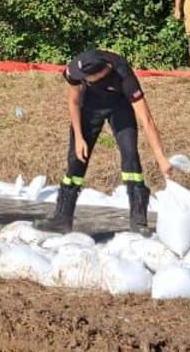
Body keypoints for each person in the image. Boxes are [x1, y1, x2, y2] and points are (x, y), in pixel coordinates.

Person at [39, 50, 176, 234]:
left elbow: (146, 119)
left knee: (130, 156)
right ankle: (62, 217)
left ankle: (138, 220)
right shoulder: (75, 68)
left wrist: (161, 158)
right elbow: (73, 102)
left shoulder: (124, 75)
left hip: (120, 107)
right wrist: (79, 137)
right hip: (90, 107)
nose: (84, 80)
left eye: (88, 78)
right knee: (76, 159)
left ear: (102, 73)